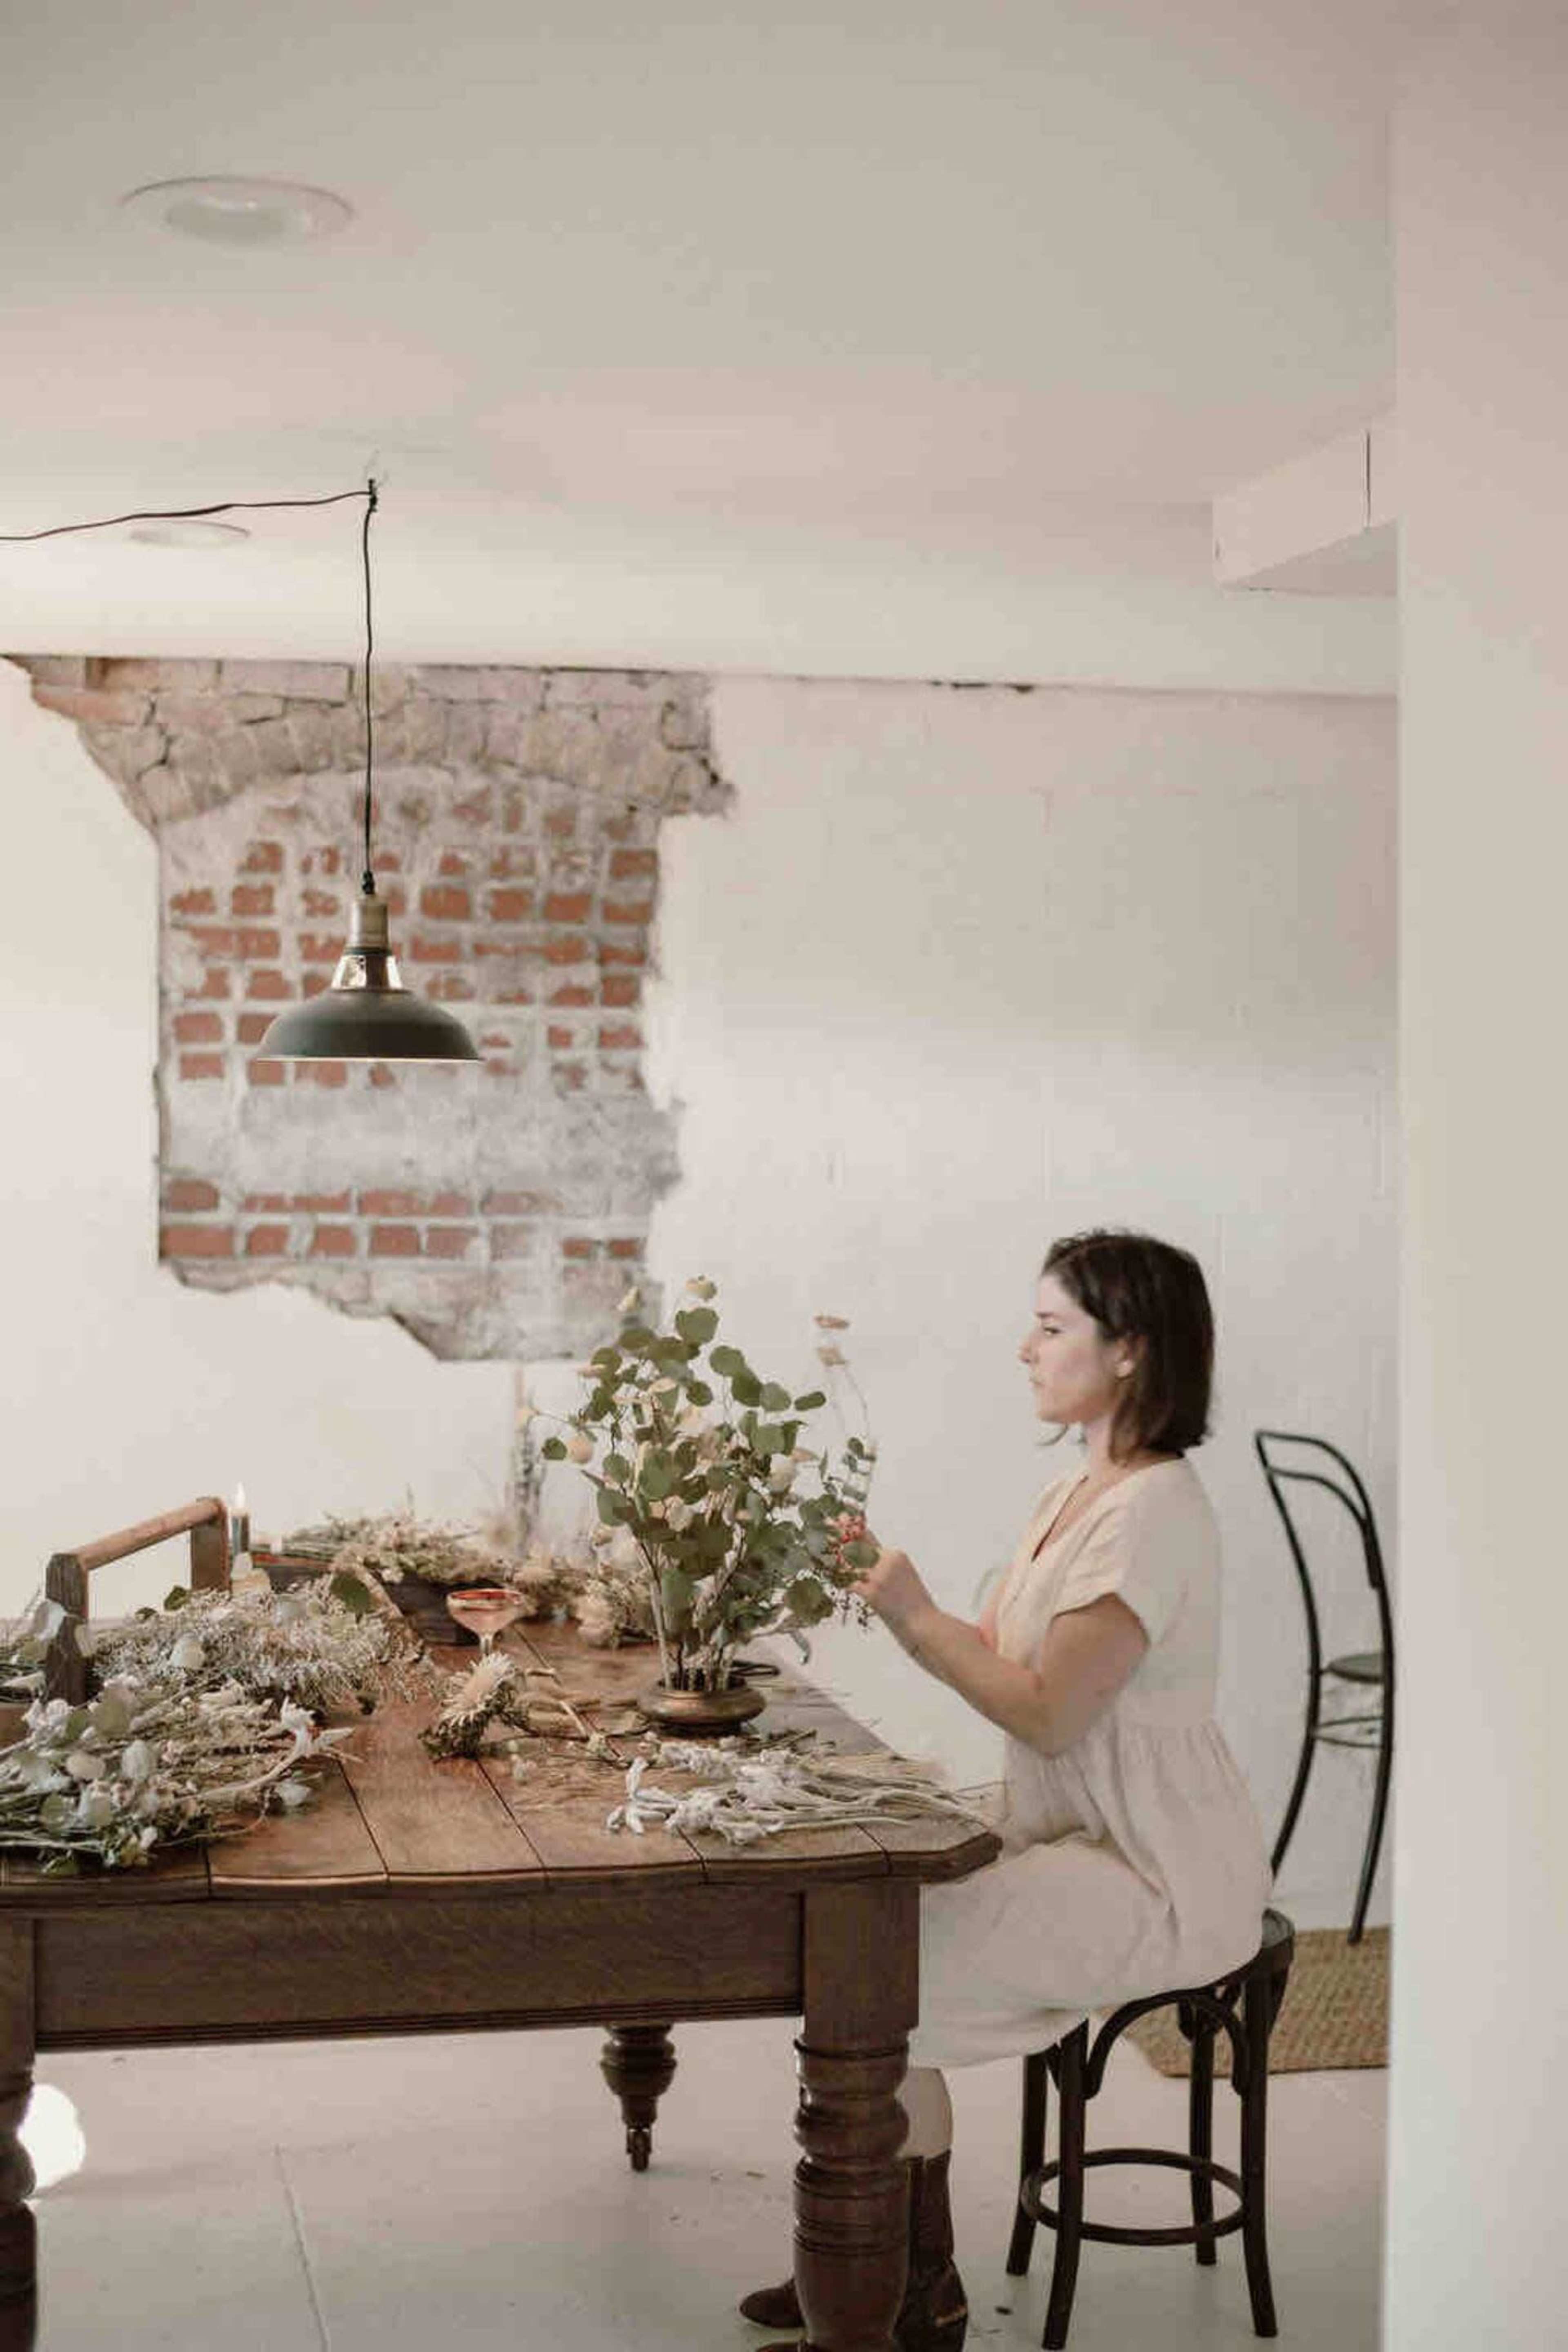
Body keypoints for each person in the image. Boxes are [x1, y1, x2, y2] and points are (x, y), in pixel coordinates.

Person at [742, 1228, 1272, 2352]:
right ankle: (876, 2257)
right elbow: (1014, 1652)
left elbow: (1048, 1710)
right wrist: (903, 1599)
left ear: (1129, 1350)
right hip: (1071, 1827)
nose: (1023, 1347)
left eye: (1051, 1326)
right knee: (856, 1921)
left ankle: (888, 2276)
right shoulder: (1076, 1490)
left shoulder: (1153, 1514)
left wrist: (911, 1612)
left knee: (879, 1971)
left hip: (1152, 1866)